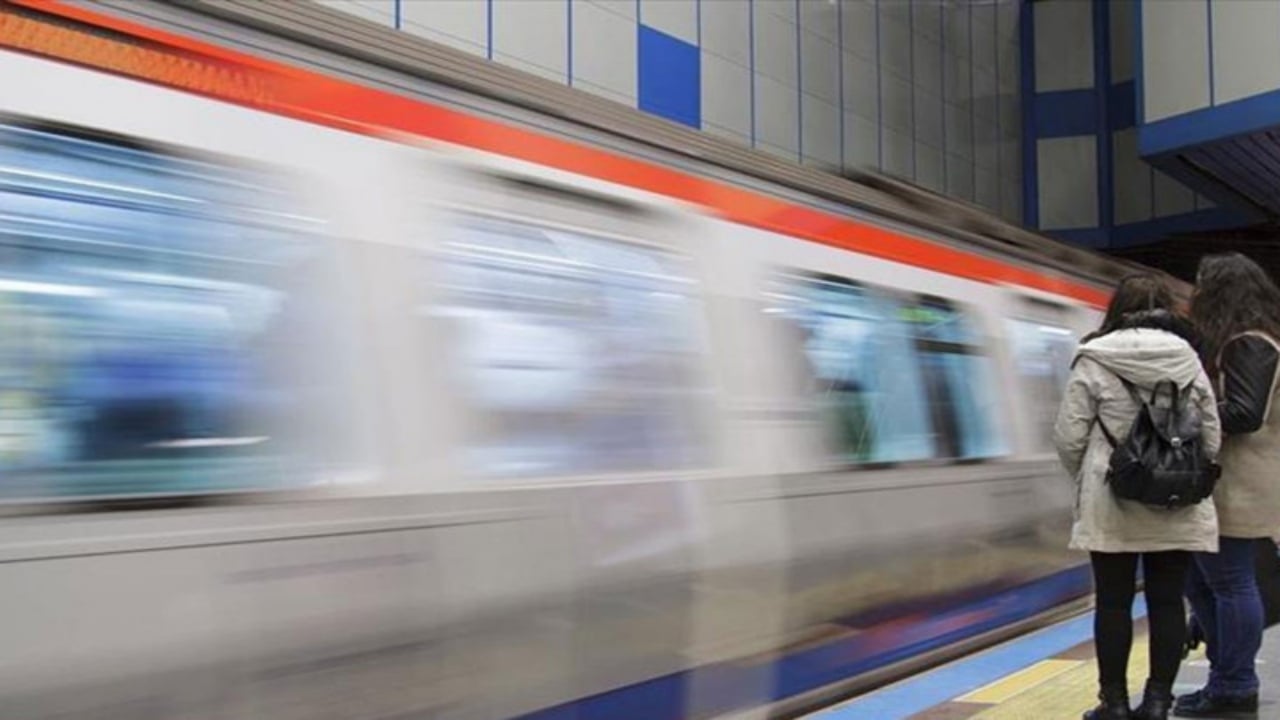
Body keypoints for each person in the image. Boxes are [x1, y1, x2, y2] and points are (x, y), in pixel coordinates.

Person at [1055, 273, 1222, 720]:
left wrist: (1092, 478)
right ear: (1167, 310)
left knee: (1113, 602)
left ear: (1117, 311)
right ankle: (1157, 702)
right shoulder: (1189, 359)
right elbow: (1211, 436)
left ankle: (1113, 704)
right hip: (1175, 502)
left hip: (1112, 500)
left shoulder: (1093, 358)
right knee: (1168, 601)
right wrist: (1179, 474)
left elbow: (1069, 436)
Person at [1176, 253, 1280, 718]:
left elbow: (1244, 413)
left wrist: (1183, 419)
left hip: (1240, 482)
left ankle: (1236, 685)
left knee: (1230, 582)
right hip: (1232, 480)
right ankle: (1225, 679)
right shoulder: (1250, 342)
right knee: (1203, 580)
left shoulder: (1249, 344)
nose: (1194, 295)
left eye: (1201, 286)